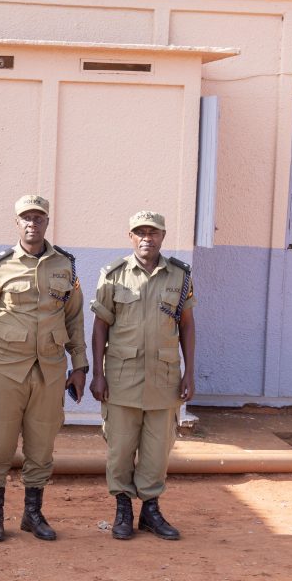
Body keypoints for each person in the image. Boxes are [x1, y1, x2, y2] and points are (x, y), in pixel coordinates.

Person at [0, 194, 88, 543]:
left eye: (38, 217)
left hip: (49, 369)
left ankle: (32, 514)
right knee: (0, 447)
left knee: (41, 447)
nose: (32, 223)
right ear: (16, 223)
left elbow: (75, 318)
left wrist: (79, 366)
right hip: (3, 369)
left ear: (47, 222)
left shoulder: (66, 266)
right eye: (26, 218)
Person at [89, 210, 196, 541]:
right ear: (130, 237)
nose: (147, 237)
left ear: (163, 236)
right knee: (120, 448)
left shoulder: (179, 276)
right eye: (140, 232)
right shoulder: (114, 276)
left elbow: (188, 326)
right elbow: (100, 326)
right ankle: (123, 508)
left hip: (165, 379)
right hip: (122, 378)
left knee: (157, 448)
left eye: (153, 232)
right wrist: (97, 373)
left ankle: (150, 509)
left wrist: (189, 371)